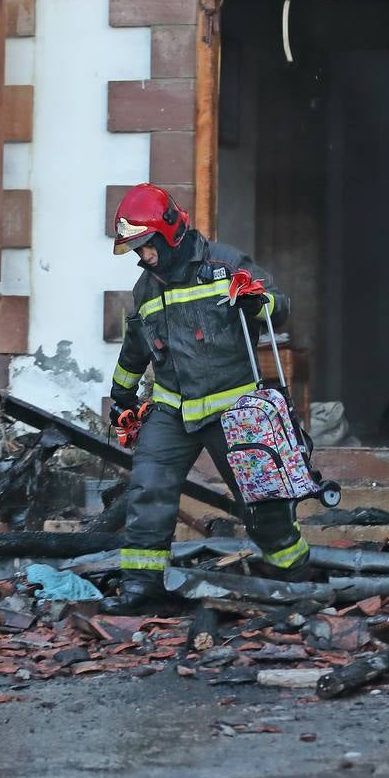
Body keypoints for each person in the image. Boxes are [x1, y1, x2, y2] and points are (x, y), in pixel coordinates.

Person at [100, 183, 311, 615]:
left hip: (232, 411)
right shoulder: (145, 289)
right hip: (172, 409)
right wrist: (121, 396)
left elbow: (280, 306)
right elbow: (135, 349)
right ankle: (141, 587)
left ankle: (293, 576)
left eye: (145, 246)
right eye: (135, 249)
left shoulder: (224, 264)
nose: (142, 256)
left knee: (262, 503)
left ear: (168, 233)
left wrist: (257, 301)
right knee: (148, 490)